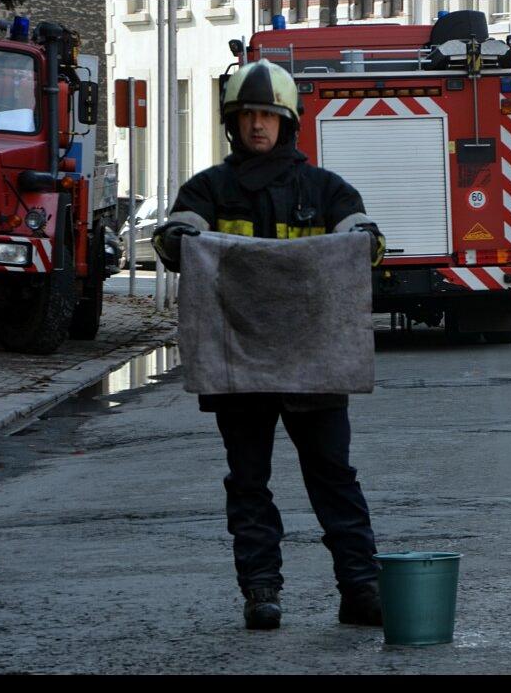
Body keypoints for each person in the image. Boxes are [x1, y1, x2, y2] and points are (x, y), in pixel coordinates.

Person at [151, 59, 387, 631]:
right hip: (242, 366)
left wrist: (363, 237)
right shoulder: (209, 189)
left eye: (269, 115)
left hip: (315, 364)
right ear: (234, 123)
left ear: (288, 123)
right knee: (249, 481)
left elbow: (364, 237)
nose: (258, 125)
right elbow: (174, 234)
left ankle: (361, 590)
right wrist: (176, 235)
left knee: (334, 479)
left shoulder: (326, 189)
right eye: (248, 115)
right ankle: (261, 592)